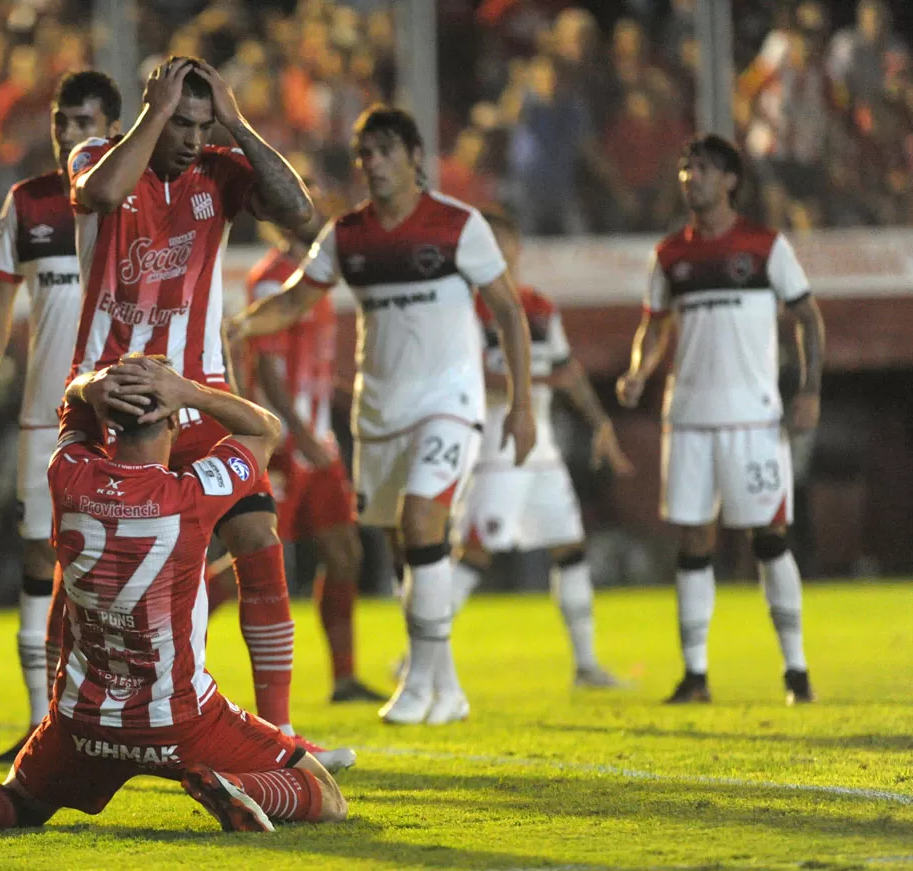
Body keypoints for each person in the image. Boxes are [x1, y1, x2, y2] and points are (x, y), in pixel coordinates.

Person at [0, 356, 348, 842]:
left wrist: (91, 385)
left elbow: (72, 404)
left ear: (108, 423)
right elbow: (265, 429)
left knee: (19, 798)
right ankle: (234, 785)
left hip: (82, 720)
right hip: (178, 720)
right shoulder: (192, 495)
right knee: (323, 792)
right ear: (172, 424)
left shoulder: (68, 474)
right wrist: (189, 391)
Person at [230, 105, 537, 726]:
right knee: (405, 549)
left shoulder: (459, 225)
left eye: (384, 151)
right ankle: (445, 687)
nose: (371, 163)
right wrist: (238, 324)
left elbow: (509, 311)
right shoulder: (347, 235)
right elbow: (293, 303)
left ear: (415, 157)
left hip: (450, 405)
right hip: (381, 414)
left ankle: (418, 682)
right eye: (363, 153)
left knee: (425, 521)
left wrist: (524, 405)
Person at [62, 55, 321, 749]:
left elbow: (299, 213)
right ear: (153, 110)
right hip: (106, 394)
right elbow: (103, 192)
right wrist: (154, 113)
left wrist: (236, 124)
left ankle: (281, 729)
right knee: (88, 563)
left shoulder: (218, 169)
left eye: (200, 124)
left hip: (200, 390)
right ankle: (67, 711)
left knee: (259, 540)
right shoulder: (99, 154)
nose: (190, 137)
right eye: (182, 120)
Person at [617, 134, 824, 705]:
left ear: (730, 180)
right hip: (686, 419)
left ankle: (796, 671)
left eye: (704, 168)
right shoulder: (669, 255)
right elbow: (655, 324)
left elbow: (808, 317)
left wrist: (809, 390)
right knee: (693, 541)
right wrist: (639, 370)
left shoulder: (764, 246)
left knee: (770, 539)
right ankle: (695, 675)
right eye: (686, 168)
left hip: (753, 421)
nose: (692, 177)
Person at [0, 70, 123, 763]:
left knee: (117, 561)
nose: (68, 134)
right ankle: (39, 720)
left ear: (113, 130)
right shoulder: (28, 201)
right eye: (62, 122)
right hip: (43, 410)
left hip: (119, 410)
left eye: (83, 122)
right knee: (39, 555)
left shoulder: (130, 195)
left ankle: (124, 714)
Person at [453, 211, 633, 687]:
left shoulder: (538, 307)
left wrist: (600, 424)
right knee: (475, 552)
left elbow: (568, 370)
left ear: (517, 247)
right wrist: (535, 382)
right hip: (496, 445)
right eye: (489, 240)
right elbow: (471, 379)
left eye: (505, 239)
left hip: (543, 449)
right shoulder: (463, 306)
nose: (500, 248)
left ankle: (586, 664)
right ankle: (418, 656)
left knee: (570, 548)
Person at [234, 166, 377, 704]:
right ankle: (169, 643)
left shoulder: (317, 275)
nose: (315, 206)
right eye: (304, 198)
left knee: (345, 553)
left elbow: (308, 364)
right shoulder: (273, 277)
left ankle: (344, 678)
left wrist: (344, 395)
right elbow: (266, 366)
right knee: (248, 560)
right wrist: (297, 434)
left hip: (318, 440)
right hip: (286, 442)